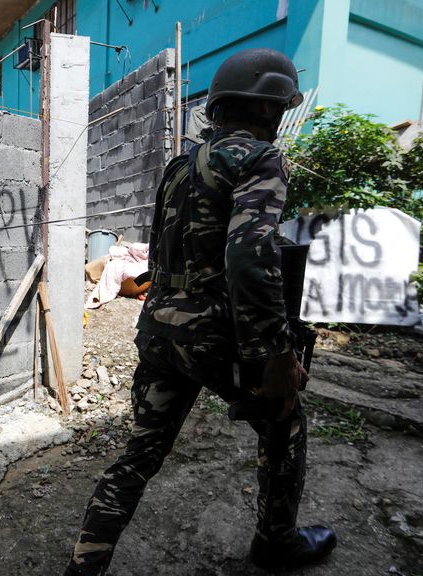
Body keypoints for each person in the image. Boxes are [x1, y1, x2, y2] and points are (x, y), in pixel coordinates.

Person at [64, 48, 337, 575]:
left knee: (139, 454)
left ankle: (84, 567)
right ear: (271, 109)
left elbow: (164, 253)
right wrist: (275, 353)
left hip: (161, 330)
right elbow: (250, 254)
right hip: (217, 337)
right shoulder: (261, 158)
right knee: (285, 423)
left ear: (220, 105)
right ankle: (276, 543)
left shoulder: (179, 166)